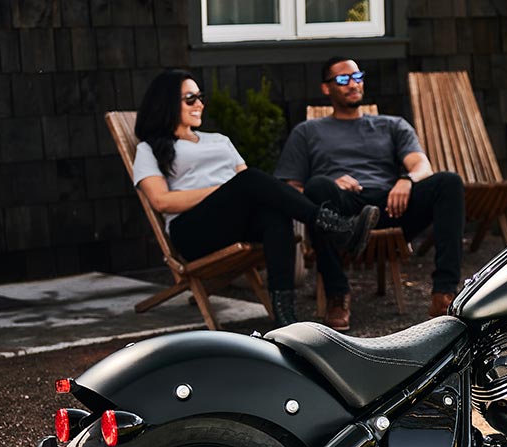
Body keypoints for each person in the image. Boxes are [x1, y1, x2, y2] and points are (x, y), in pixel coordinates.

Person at [131, 69, 378, 330]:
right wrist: (225, 189)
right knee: (249, 179)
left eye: (200, 97)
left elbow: (255, 189)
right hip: (193, 232)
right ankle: (335, 227)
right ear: (168, 102)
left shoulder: (218, 140)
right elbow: (161, 201)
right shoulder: (149, 149)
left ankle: (284, 316)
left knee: (274, 215)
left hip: (231, 223)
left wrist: (236, 189)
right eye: (190, 99)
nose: (199, 104)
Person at [275, 56, 466, 326]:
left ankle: (443, 294)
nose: (353, 84)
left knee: (449, 182)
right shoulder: (307, 131)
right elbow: (290, 189)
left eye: (357, 77)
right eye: (343, 79)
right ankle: (337, 295)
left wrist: (407, 180)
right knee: (317, 188)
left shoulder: (392, 125)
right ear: (326, 88)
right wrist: (332, 183)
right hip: (342, 212)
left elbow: (422, 165)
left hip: (390, 205)